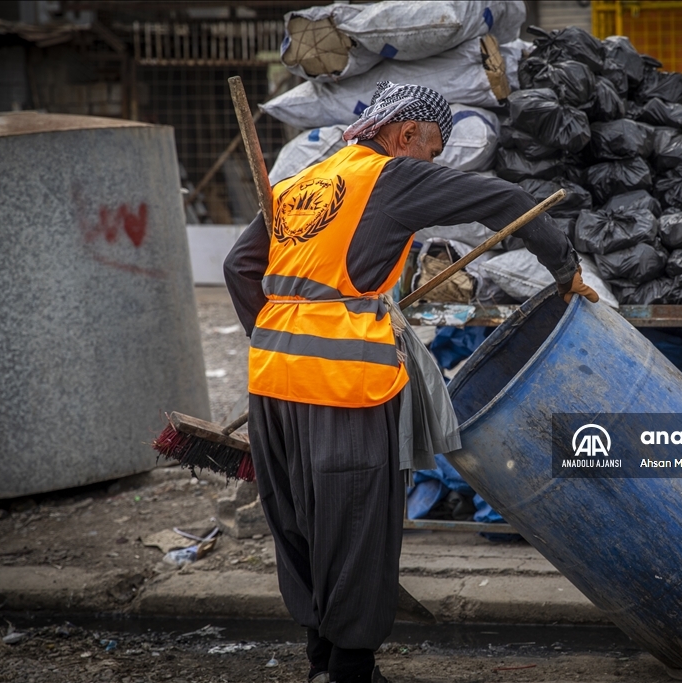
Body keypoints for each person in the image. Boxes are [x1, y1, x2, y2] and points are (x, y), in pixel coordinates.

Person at [224, 81, 598, 683]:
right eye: (432, 149)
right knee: (356, 525)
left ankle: (320, 663)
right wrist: (564, 266)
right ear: (404, 135)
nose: (432, 164)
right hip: (344, 387)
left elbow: (240, 266)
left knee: (297, 522)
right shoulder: (391, 176)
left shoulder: (303, 182)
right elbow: (504, 200)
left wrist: (282, 330)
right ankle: (350, 672)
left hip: (271, 380)